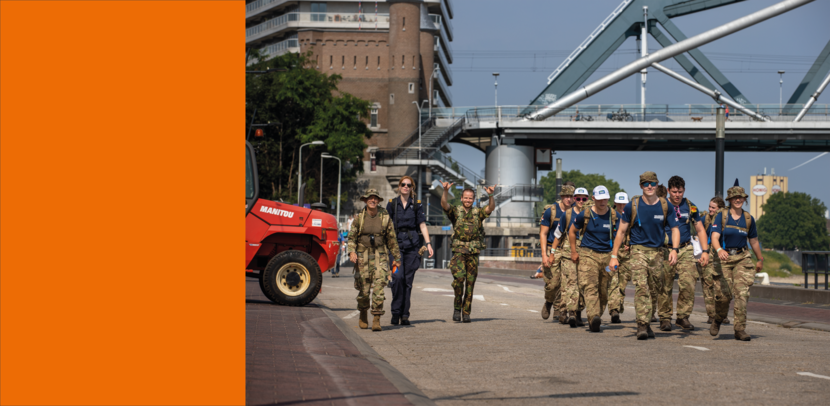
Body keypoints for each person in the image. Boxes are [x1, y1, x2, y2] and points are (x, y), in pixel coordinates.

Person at [609, 172, 680, 340]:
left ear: (657, 185)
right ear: (641, 186)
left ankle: (647, 322)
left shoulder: (665, 206)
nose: (649, 186)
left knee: (654, 290)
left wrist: (674, 249)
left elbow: (675, 229)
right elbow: (621, 231)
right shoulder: (632, 206)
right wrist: (614, 255)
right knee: (642, 287)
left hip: (657, 253)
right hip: (638, 251)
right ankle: (641, 324)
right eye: (646, 183)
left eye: (653, 183)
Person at [710, 186, 764, 341]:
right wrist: (719, 249)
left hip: (742, 257)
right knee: (724, 296)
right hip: (724, 259)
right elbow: (714, 237)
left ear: (744, 199)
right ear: (730, 200)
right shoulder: (722, 216)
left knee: (742, 294)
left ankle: (739, 329)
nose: (738, 200)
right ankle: (718, 318)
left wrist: (759, 259)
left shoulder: (748, 219)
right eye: (735, 198)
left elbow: (753, 240)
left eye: (741, 197)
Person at [657, 176, 710, 331]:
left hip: (685, 248)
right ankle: (665, 318)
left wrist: (705, 251)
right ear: (668, 191)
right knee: (665, 285)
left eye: (680, 191)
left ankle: (682, 317)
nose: (677, 195)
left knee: (688, 282)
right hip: (666, 249)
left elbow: (699, 229)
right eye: (674, 192)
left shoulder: (690, 206)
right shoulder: (661, 205)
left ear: (684, 190)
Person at [441, 181, 496, 323]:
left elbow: (490, 208)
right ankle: (457, 308)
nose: (468, 200)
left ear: (474, 199)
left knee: (470, 283)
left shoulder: (478, 212)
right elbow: (444, 205)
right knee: (459, 280)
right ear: (461, 198)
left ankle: (466, 312)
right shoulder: (456, 211)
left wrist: (490, 195)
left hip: (473, 252)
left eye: (470, 198)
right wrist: (445, 191)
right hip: (459, 251)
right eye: (465, 197)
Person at [347, 189, 401, 332]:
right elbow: (351, 237)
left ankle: (376, 318)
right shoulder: (359, 218)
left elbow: (392, 239)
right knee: (363, 290)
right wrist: (352, 251)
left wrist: (397, 258)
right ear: (365, 200)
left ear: (378, 201)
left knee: (379, 289)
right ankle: (363, 312)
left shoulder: (385, 216)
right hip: (363, 256)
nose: (372, 200)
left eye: (375, 198)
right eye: (370, 198)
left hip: (380, 255)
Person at [386, 175, 434, 326]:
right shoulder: (392, 204)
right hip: (395, 248)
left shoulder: (417, 205)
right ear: (399, 187)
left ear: (412, 187)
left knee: (408, 282)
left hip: (412, 248)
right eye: (403, 184)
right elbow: (386, 226)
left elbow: (422, 225)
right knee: (397, 278)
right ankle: (395, 312)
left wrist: (428, 243)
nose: (406, 187)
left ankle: (404, 315)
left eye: (409, 185)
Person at [569, 186, 617, 332]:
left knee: (604, 289)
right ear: (593, 199)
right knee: (590, 286)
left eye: (605, 199)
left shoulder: (614, 216)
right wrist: (573, 251)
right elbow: (572, 231)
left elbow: (621, 233)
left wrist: (616, 255)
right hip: (588, 254)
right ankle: (593, 316)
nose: (603, 202)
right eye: (600, 199)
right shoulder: (585, 214)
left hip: (608, 256)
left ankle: (596, 316)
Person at [550, 187, 590, 326]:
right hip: (568, 253)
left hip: (586, 253)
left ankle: (578, 313)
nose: (580, 201)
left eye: (584, 198)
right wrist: (552, 253)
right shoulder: (567, 214)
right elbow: (558, 234)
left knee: (583, 285)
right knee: (570, 283)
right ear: (574, 199)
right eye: (577, 198)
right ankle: (568, 312)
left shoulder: (591, 213)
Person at [539, 183, 575, 322]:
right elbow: (543, 233)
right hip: (551, 249)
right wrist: (544, 254)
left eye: (571, 196)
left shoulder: (577, 211)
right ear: (561, 197)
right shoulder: (551, 211)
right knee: (552, 283)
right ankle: (549, 302)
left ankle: (559, 309)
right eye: (566, 196)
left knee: (566, 282)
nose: (568, 199)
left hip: (568, 249)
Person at [701, 196, 728, 324]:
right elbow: (697, 228)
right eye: (709, 206)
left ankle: (722, 314)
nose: (710, 209)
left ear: (720, 209)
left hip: (721, 255)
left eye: (713, 207)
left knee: (721, 286)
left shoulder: (725, 219)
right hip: (708, 254)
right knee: (707, 285)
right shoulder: (705, 219)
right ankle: (711, 315)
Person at [607, 192, 631, 323]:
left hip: (627, 255)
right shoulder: (610, 216)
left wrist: (630, 244)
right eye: (619, 203)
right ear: (615, 203)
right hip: (613, 253)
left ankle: (617, 307)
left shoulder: (631, 216)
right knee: (613, 282)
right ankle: (614, 310)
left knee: (622, 284)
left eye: (624, 203)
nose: (622, 206)